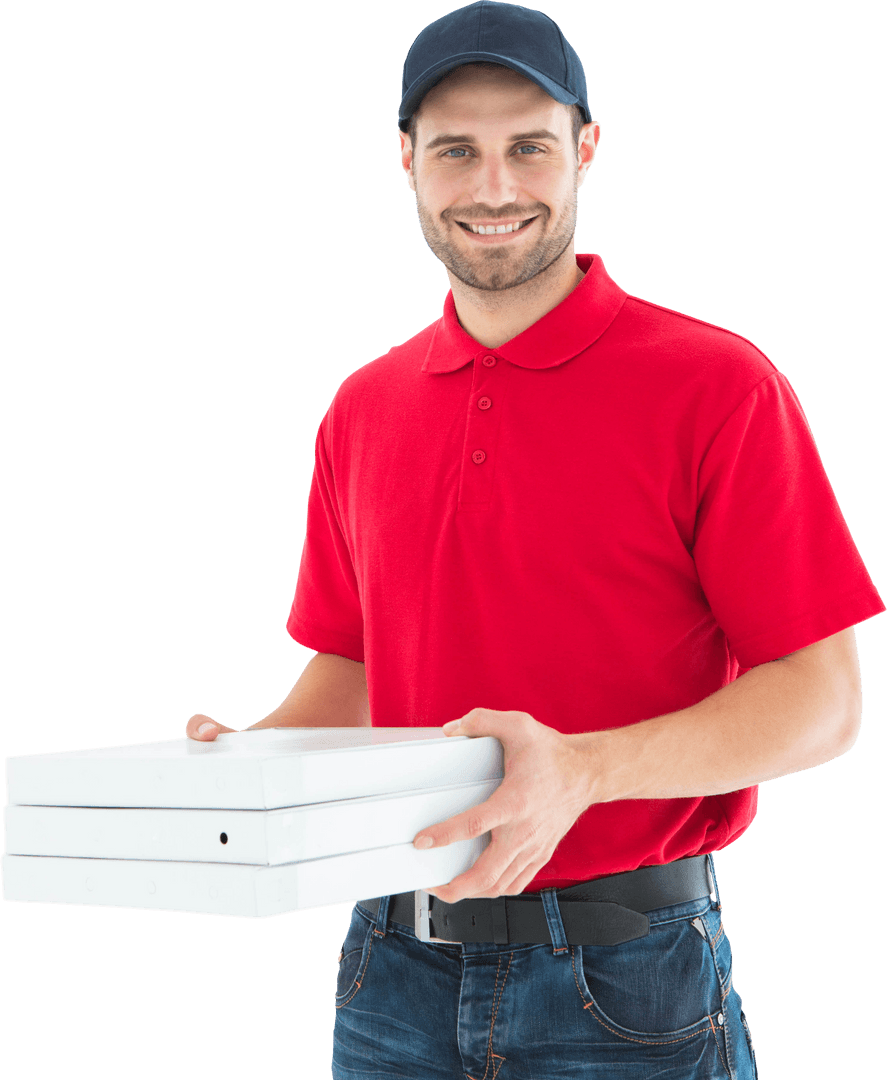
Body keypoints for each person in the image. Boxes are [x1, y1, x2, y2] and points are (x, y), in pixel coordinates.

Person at [185, 3, 885, 1077]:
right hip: (389, 970)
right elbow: (362, 672)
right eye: (457, 150)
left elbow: (822, 700)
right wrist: (248, 762)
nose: (494, 187)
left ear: (584, 153)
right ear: (407, 163)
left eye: (528, 147)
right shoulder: (361, 409)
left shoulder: (718, 388)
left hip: (627, 981)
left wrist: (583, 772)